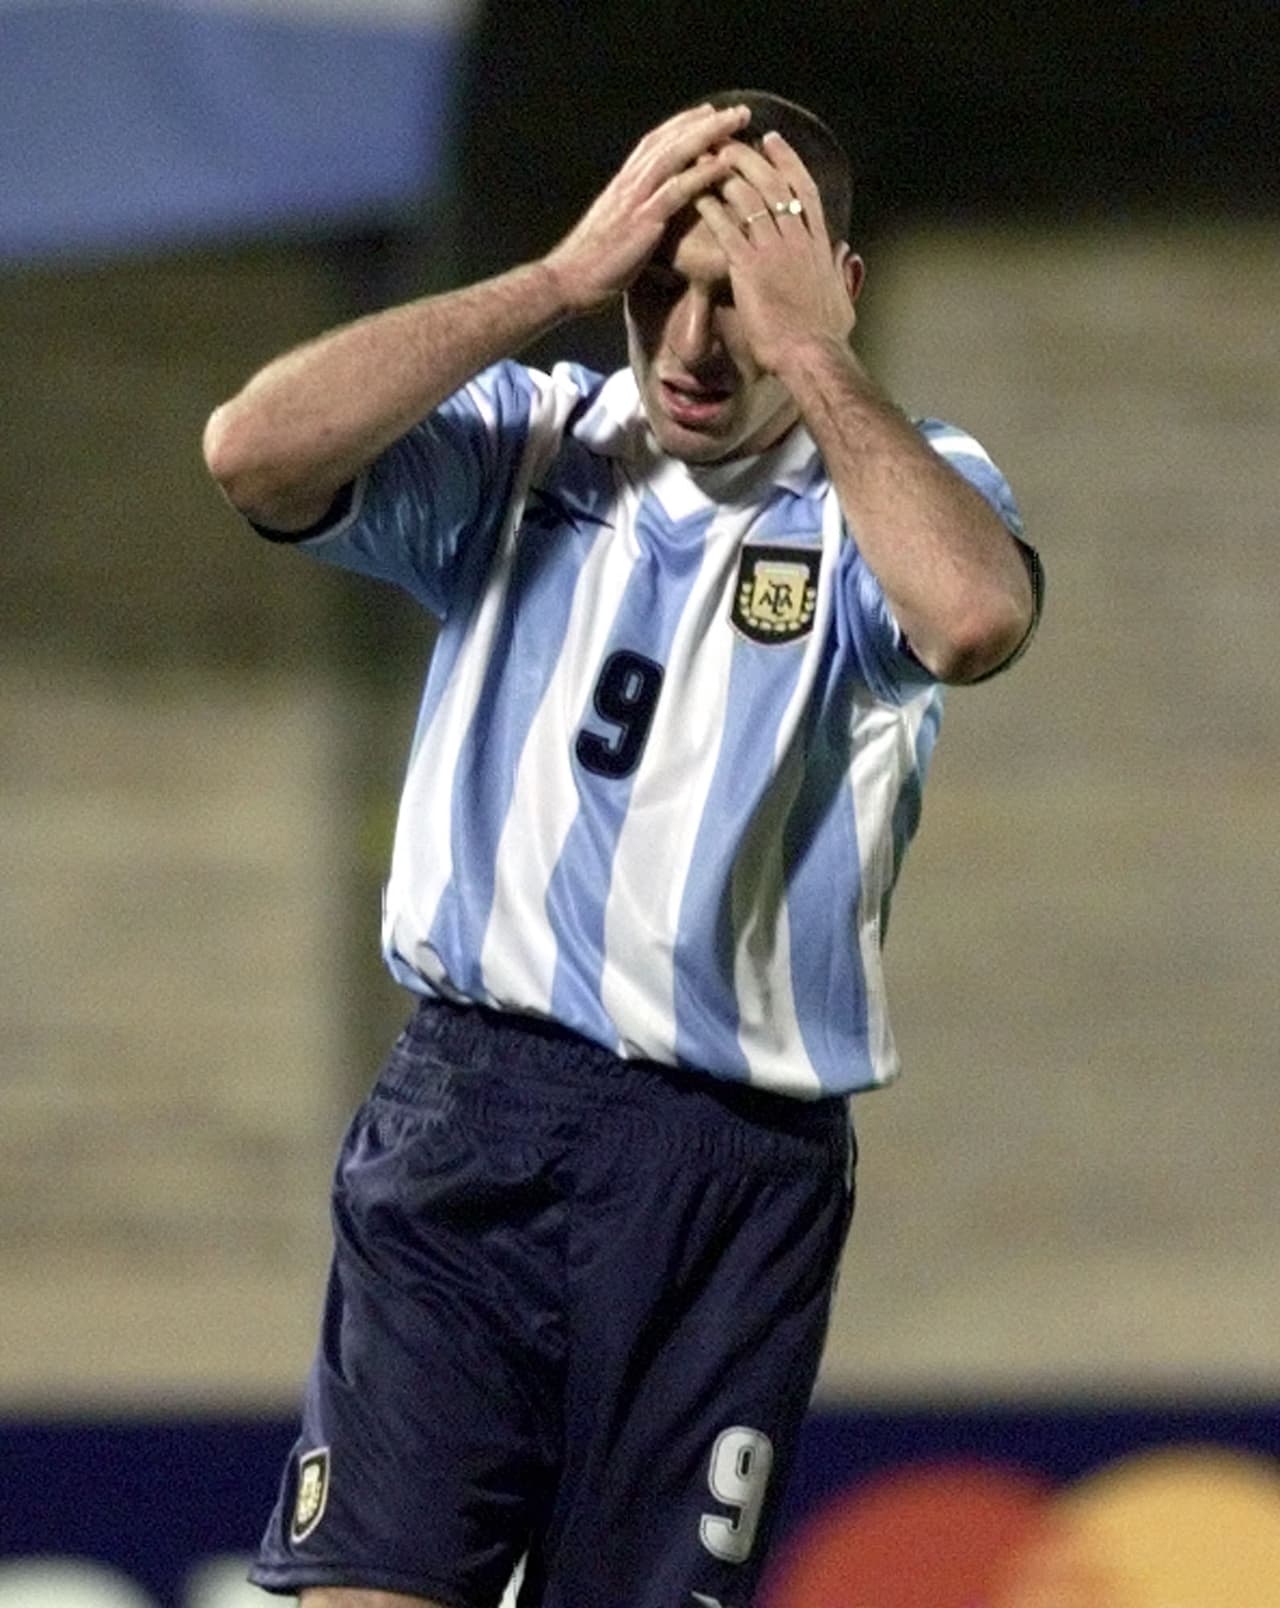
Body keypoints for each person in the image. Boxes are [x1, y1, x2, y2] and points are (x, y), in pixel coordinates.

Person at [204, 90, 1041, 1608]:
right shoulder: (529, 440)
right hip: (471, 1109)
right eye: (662, 287)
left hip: (727, 1172)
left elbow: (972, 616)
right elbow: (254, 452)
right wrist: (551, 281)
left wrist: (816, 358)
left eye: (740, 296)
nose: (695, 342)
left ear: (831, 285)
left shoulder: (892, 489)